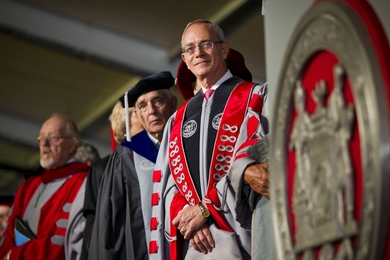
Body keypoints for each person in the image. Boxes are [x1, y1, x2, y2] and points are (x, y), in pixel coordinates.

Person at [149, 20, 273, 260]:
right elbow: (169, 185)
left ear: (225, 49)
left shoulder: (254, 97)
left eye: (206, 44)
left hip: (242, 231)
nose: (198, 53)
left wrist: (205, 211)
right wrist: (190, 217)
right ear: (184, 59)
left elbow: (256, 162)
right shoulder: (177, 120)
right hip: (197, 243)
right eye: (190, 48)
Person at [87, 71, 177, 260]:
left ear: (172, 103)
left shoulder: (188, 145)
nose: (151, 110)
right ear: (137, 114)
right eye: (142, 106)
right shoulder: (125, 158)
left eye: (157, 101)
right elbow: (108, 226)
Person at [0, 114, 90, 260]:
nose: (44, 144)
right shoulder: (28, 187)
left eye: (53, 137)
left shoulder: (82, 182)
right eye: (41, 138)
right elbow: (8, 235)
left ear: (72, 144)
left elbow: (60, 243)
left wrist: (14, 256)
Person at [80, 101, 144, 260]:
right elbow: (93, 227)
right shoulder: (103, 168)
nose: (150, 112)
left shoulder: (165, 157)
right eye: (140, 109)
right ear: (125, 120)